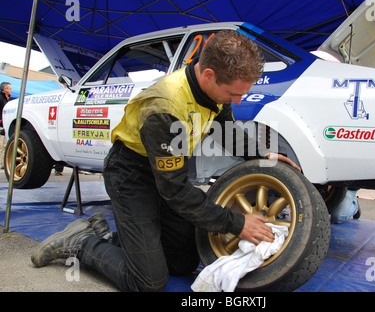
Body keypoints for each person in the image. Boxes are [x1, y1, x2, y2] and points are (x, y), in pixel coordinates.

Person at [30, 30, 301, 291]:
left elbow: (226, 129)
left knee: (182, 263)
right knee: (148, 282)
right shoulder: (165, 107)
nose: (238, 100)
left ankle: (117, 238)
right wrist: (238, 223)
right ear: (209, 75)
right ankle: (81, 242)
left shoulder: (217, 88)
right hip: (131, 175)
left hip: (167, 171)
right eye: (234, 94)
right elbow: (174, 191)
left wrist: (262, 155)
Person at [0, 82, 12, 169]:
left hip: (5, 125)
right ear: (5, 89)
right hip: (1, 124)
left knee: (5, 145)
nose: (11, 90)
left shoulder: (7, 99)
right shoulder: (1, 98)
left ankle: (3, 163)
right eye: (10, 88)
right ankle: (2, 163)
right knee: (1, 145)